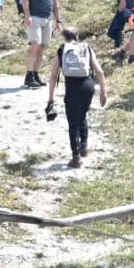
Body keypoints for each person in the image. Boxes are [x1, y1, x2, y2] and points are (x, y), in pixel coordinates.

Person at [44, 24, 109, 169]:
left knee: (72, 122)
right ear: (77, 37)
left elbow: (53, 76)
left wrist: (50, 98)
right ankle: (84, 146)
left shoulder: (61, 50)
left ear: (64, 38)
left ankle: (76, 157)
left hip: (72, 86)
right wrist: (103, 93)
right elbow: (100, 72)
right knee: (82, 115)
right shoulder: (86, 48)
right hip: (87, 85)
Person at [15, 0, 61, 88]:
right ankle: (29, 75)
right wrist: (27, 15)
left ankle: (35, 74)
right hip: (34, 16)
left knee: (42, 47)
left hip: (47, 18)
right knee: (35, 44)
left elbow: (54, 3)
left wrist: (58, 20)